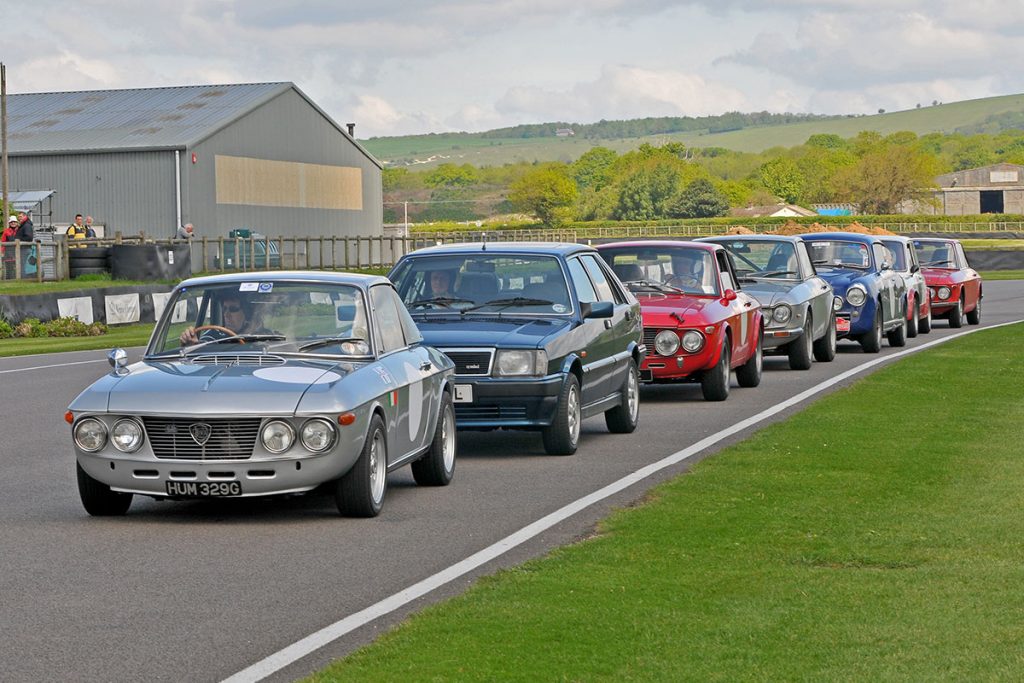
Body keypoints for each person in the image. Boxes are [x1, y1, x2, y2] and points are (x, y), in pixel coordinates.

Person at [179, 294, 265, 345]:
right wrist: (193, 344)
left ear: (247, 314)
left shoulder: (265, 336)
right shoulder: (213, 336)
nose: (226, 314)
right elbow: (202, 348)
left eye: (233, 309)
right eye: (224, 309)